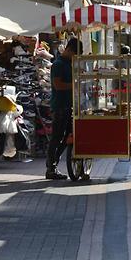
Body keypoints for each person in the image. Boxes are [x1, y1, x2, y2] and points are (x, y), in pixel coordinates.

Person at [46, 38, 82, 180]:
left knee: (67, 137)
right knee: (57, 137)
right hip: (60, 106)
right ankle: (51, 168)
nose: (75, 57)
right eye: (75, 54)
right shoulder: (58, 64)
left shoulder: (71, 63)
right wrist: (75, 85)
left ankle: (53, 162)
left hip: (70, 105)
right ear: (69, 50)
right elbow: (58, 85)